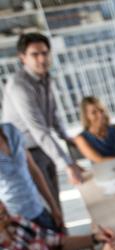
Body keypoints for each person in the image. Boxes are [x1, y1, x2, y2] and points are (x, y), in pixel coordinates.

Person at [2, 33, 85, 207]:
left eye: (45, 53)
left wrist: (66, 137)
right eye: (35, 54)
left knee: (56, 200)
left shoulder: (45, 78)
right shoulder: (19, 85)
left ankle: (63, 231)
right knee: (48, 205)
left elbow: (52, 114)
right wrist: (68, 165)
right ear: (22, 57)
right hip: (26, 153)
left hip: (42, 147)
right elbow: (38, 129)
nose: (42, 59)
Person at [0, 123, 63, 232]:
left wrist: (53, 206)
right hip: (14, 219)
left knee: (65, 245)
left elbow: (34, 171)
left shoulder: (11, 130)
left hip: (38, 208)